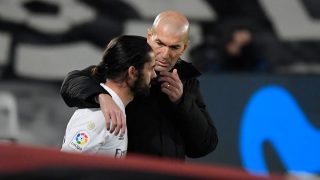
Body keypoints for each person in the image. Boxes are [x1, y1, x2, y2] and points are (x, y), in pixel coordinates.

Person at [61, 10, 218, 159]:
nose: (165, 54)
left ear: (184, 47)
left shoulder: (187, 81)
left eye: (174, 47)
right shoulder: (127, 62)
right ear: (149, 37)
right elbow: (72, 82)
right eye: (160, 43)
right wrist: (101, 96)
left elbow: (204, 145)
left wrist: (182, 102)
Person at [61, 35, 156, 158]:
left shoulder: (114, 110)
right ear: (132, 72)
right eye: (151, 68)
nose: (154, 75)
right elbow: (64, 166)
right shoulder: (100, 116)